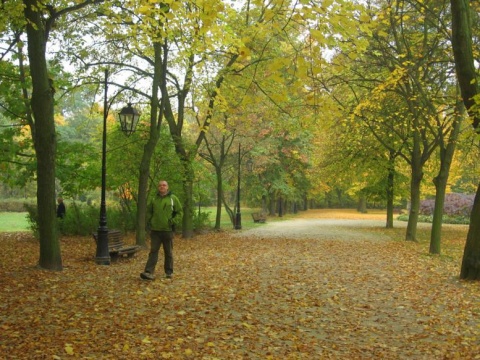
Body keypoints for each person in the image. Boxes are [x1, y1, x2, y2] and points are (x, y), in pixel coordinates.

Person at [140, 180, 183, 280]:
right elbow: (149, 211)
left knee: (168, 252)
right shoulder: (154, 198)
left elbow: (180, 212)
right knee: (153, 251)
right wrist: (150, 221)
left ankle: (169, 272)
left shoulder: (173, 198)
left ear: (167, 187)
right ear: (158, 187)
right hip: (155, 230)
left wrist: (172, 221)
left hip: (168, 230)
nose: (162, 187)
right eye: (160, 185)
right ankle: (148, 272)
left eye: (164, 185)